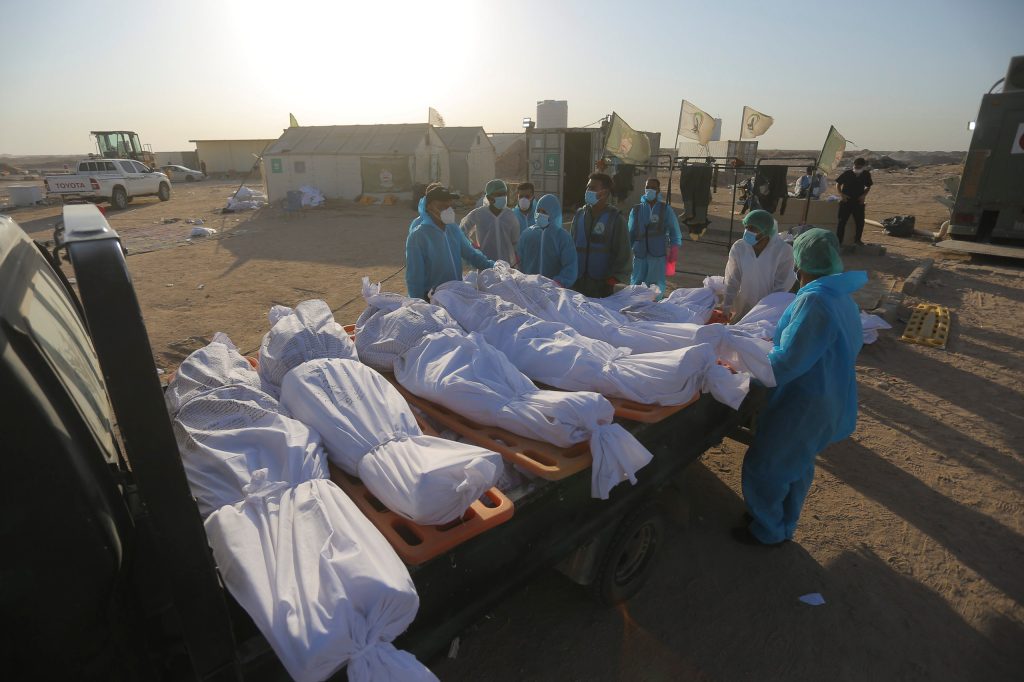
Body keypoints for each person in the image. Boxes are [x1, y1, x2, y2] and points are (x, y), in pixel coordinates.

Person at [734, 228, 865, 546]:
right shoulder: (840, 296)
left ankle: (768, 530)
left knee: (768, 464)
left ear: (799, 262)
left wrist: (745, 373)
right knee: (796, 462)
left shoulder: (815, 300)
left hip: (804, 400)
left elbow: (788, 362)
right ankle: (783, 520)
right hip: (829, 391)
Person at [406, 185, 494, 300]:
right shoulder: (419, 236)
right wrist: (418, 302)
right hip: (434, 298)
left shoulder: (453, 229)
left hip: (456, 293)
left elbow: (471, 255)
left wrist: (493, 266)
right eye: (442, 207)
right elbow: (414, 277)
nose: (448, 210)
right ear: (429, 207)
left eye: (449, 206)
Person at [723, 209, 796, 321]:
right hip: (742, 306)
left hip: (768, 311)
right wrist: (727, 305)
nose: (747, 231)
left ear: (765, 231)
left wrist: (764, 311)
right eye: (746, 227)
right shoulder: (739, 247)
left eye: (752, 228)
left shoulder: (783, 252)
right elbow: (732, 279)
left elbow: (781, 287)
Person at [569, 173, 631, 297]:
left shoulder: (616, 220)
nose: (588, 191)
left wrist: (614, 281)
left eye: (592, 188)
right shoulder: (579, 216)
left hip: (603, 287)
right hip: (577, 285)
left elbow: (624, 256)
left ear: (605, 193)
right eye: (587, 187)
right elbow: (570, 248)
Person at [627, 178, 682, 299]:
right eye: (647, 187)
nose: (650, 190)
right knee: (636, 285)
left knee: (655, 287)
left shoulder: (665, 209)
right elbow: (630, 233)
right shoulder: (636, 210)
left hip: (658, 255)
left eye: (653, 187)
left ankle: (654, 305)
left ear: (658, 190)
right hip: (639, 255)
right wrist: (626, 252)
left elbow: (674, 231)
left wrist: (674, 250)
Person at [516, 194, 577, 287]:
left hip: (554, 290)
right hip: (529, 287)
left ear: (554, 213)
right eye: (538, 211)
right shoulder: (527, 235)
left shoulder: (563, 237)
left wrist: (557, 283)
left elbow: (570, 266)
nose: (540, 214)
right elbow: (519, 261)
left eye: (544, 212)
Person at [460, 179, 520, 264]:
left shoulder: (510, 215)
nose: (503, 197)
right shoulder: (479, 214)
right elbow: (462, 232)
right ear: (489, 197)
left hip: (506, 264)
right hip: (485, 264)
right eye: (498, 195)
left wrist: (515, 258)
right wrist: (473, 247)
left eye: (504, 194)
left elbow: (515, 241)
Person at [835, 157, 873, 246]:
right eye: (856, 167)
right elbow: (838, 184)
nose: (857, 169)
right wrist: (841, 194)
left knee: (860, 222)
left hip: (858, 201)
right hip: (846, 201)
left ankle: (857, 240)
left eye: (859, 167)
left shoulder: (866, 174)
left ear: (863, 167)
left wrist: (863, 196)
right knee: (842, 222)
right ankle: (839, 242)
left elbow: (868, 186)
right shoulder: (847, 173)